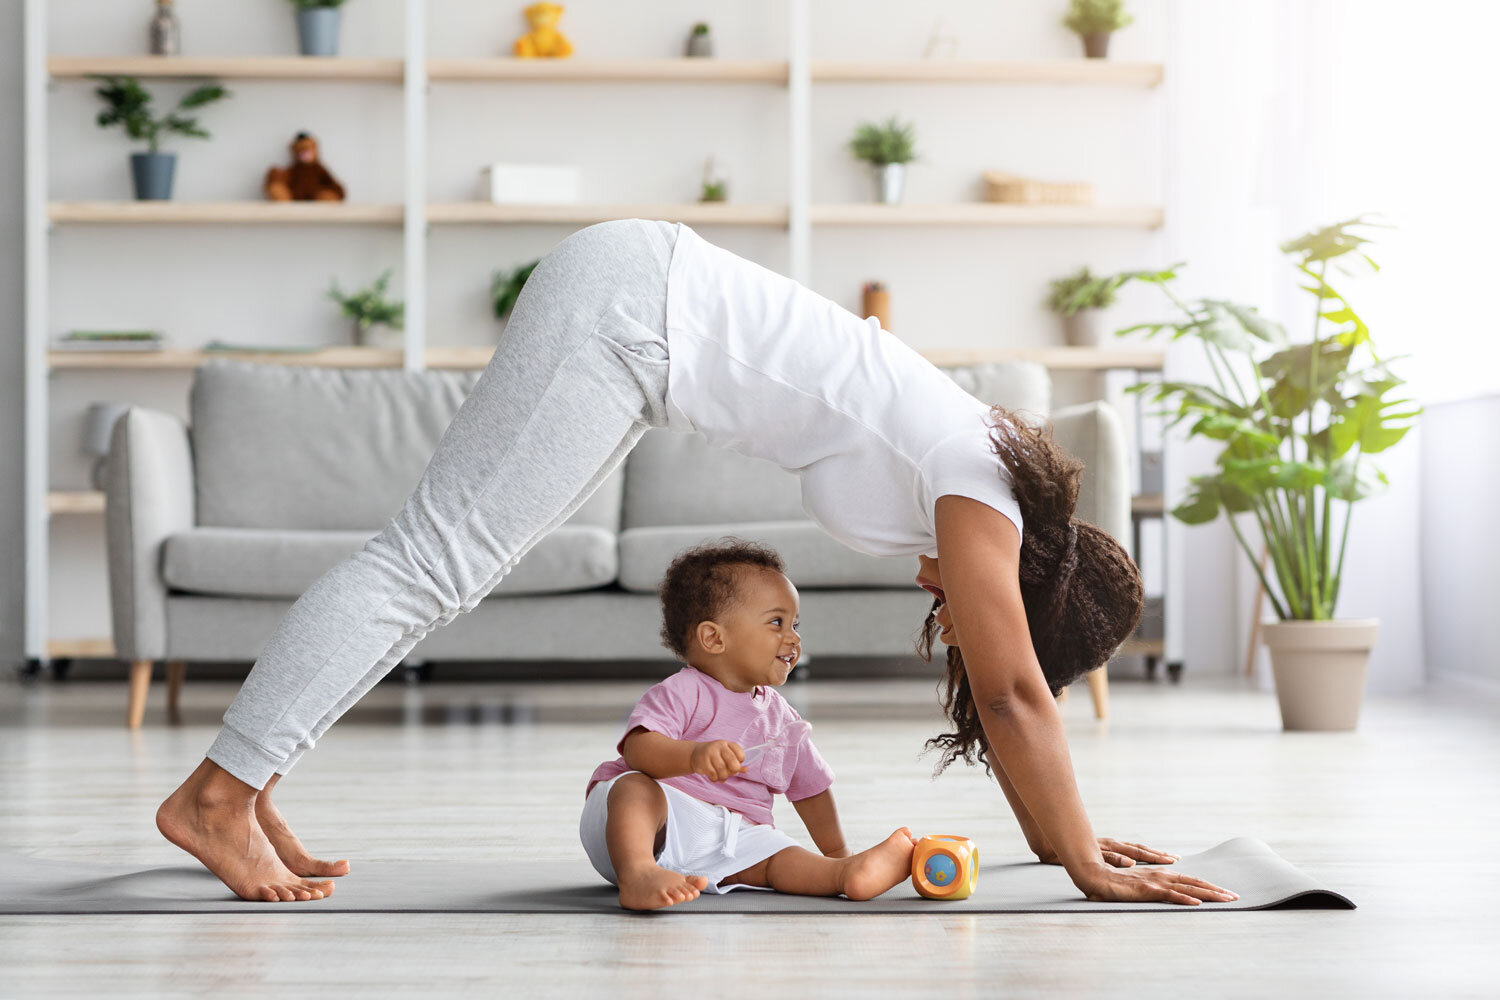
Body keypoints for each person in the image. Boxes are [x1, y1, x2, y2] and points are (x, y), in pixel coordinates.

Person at [157, 218, 1236, 907]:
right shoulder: (981, 487)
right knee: (430, 563)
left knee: (449, 572)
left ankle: (247, 787)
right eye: (990, 617)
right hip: (631, 311)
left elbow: (1008, 692)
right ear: (1032, 595)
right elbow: (1009, 696)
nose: (952, 620)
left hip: (640, 334)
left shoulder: (976, 486)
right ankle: (218, 793)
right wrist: (1089, 862)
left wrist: (1066, 846)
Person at [581, 539, 917, 910]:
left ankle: (843, 874)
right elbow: (638, 749)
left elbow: (812, 791)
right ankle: (638, 873)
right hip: (647, 828)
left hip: (728, 838)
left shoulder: (784, 721)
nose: (794, 638)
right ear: (714, 638)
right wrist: (694, 756)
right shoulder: (683, 690)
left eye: (795, 624)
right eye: (777, 622)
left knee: (777, 857)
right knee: (634, 788)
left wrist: (839, 853)